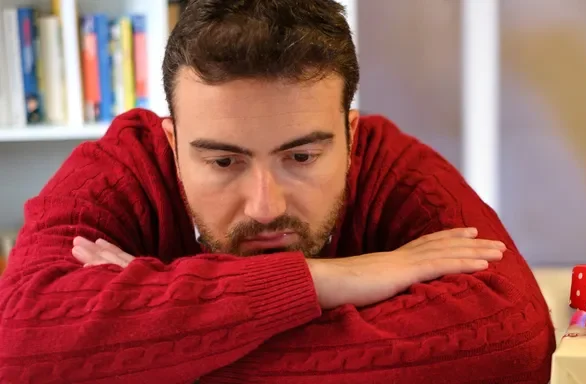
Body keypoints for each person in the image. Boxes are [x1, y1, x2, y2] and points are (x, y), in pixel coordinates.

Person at [0, 0, 556, 383]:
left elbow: (512, 343)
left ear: (350, 135)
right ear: (172, 145)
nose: (266, 206)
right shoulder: (123, 167)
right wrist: (328, 278)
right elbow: (18, 345)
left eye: (301, 157)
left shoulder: (393, 167)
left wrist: (139, 353)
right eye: (223, 160)